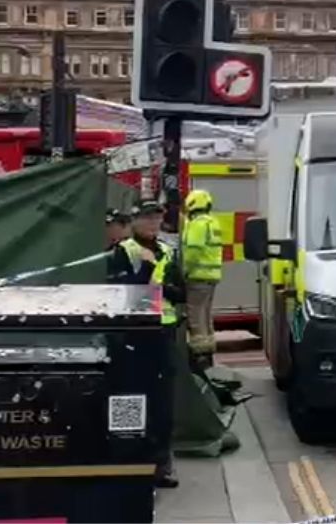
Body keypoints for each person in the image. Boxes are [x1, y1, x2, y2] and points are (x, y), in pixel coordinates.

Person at [107, 200, 185, 489]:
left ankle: (160, 464)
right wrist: (147, 275)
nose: (153, 223)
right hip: (132, 335)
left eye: (157, 218)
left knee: (162, 403)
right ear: (134, 222)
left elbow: (180, 292)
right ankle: (127, 462)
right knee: (129, 397)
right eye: (147, 218)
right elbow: (122, 291)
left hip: (161, 333)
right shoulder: (124, 251)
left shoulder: (166, 250)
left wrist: (159, 285)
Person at [181, 188, 225, 371]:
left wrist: (183, 271)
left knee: (195, 318)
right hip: (211, 277)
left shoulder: (197, 224)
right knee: (205, 317)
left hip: (197, 277)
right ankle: (208, 354)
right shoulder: (213, 222)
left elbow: (193, 252)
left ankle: (199, 357)